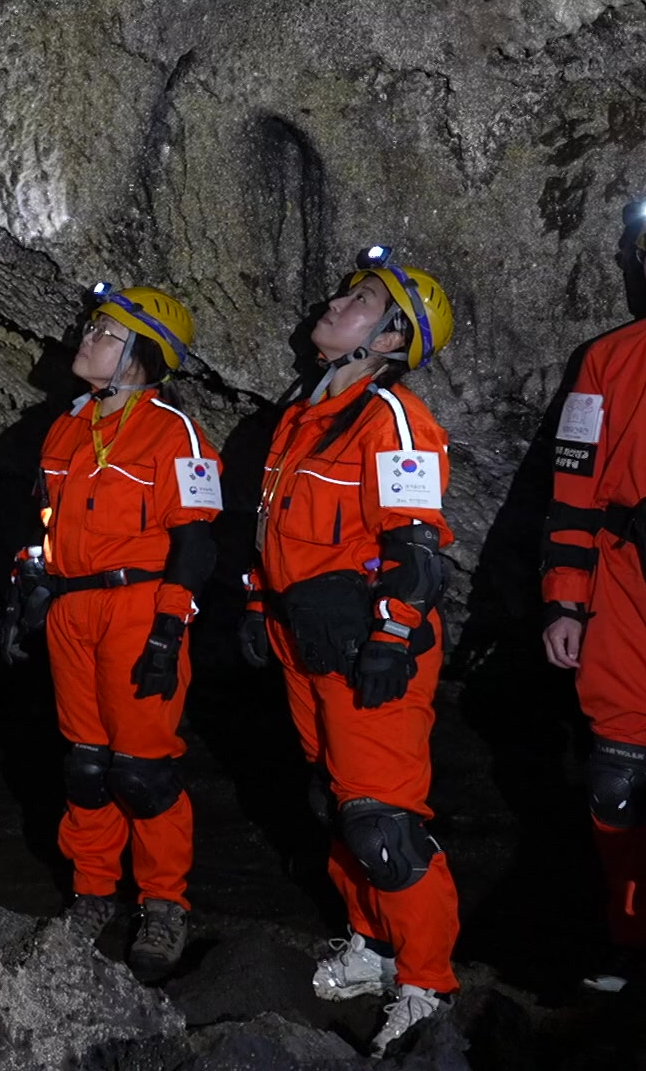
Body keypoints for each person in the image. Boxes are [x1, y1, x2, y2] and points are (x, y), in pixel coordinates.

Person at [238, 248, 459, 1055]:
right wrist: (261, 604)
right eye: (344, 290)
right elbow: (276, 527)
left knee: (383, 823)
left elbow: (416, 542)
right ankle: (371, 946)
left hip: (369, 643)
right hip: (312, 640)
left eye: (361, 299)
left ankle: (428, 984)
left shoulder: (390, 416)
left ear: (393, 339)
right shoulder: (303, 415)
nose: (336, 302)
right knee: (335, 802)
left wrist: (395, 631)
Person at [0, 284, 220, 983]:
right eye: (92, 327)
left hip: (138, 607)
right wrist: (26, 589)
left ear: (141, 357)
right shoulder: (65, 430)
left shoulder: (172, 431)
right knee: (87, 765)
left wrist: (169, 628)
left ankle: (163, 904)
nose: (87, 339)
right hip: (73, 610)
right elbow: (44, 525)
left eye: (106, 332)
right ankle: (94, 892)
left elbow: (196, 540)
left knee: (142, 771)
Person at [541, 182, 646, 993]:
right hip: (627, 586)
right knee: (620, 778)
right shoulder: (606, 357)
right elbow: (573, 486)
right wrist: (565, 598)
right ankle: (632, 941)